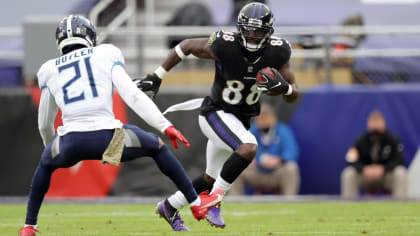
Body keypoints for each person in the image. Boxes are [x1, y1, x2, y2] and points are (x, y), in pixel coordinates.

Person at [18, 15, 223, 236]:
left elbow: (44, 123)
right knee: (156, 146)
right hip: (108, 139)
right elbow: (132, 94)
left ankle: (30, 226)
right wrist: (164, 125)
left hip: (69, 141)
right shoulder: (105, 53)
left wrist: (53, 150)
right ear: (89, 35)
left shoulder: (49, 69)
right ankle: (194, 202)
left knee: (45, 165)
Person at [137, 2, 299, 229]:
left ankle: (170, 206)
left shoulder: (278, 51)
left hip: (239, 120)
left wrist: (284, 89)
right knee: (249, 146)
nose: (252, 37)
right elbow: (186, 46)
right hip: (215, 113)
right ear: (239, 28)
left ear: (269, 33)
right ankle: (215, 200)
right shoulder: (225, 44)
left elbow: (294, 93)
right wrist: (157, 75)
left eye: (258, 32)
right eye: (248, 31)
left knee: (210, 179)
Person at [230, 103, 300, 195]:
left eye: (266, 117)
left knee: (291, 167)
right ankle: (235, 203)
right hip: (256, 172)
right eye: (260, 118)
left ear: (274, 118)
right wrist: (247, 159)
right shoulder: (251, 131)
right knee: (235, 167)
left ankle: (289, 202)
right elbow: (239, 149)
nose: (263, 121)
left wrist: (279, 160)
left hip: (276, 172)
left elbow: (293, 151)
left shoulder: (283, 131)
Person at [341, 110, 408, 199]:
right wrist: (364, 169)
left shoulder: (393, 139)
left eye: (378, 123)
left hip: (386, 176)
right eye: (373, 123)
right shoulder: (361, 140)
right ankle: (348, 206)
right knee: (348, 173)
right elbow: (350, 160)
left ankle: (400, 206)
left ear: (384, 124)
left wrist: (383, 169)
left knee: (401, 172)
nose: (375, 127)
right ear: (368, 124)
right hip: (366, 176)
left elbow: (400, 160)